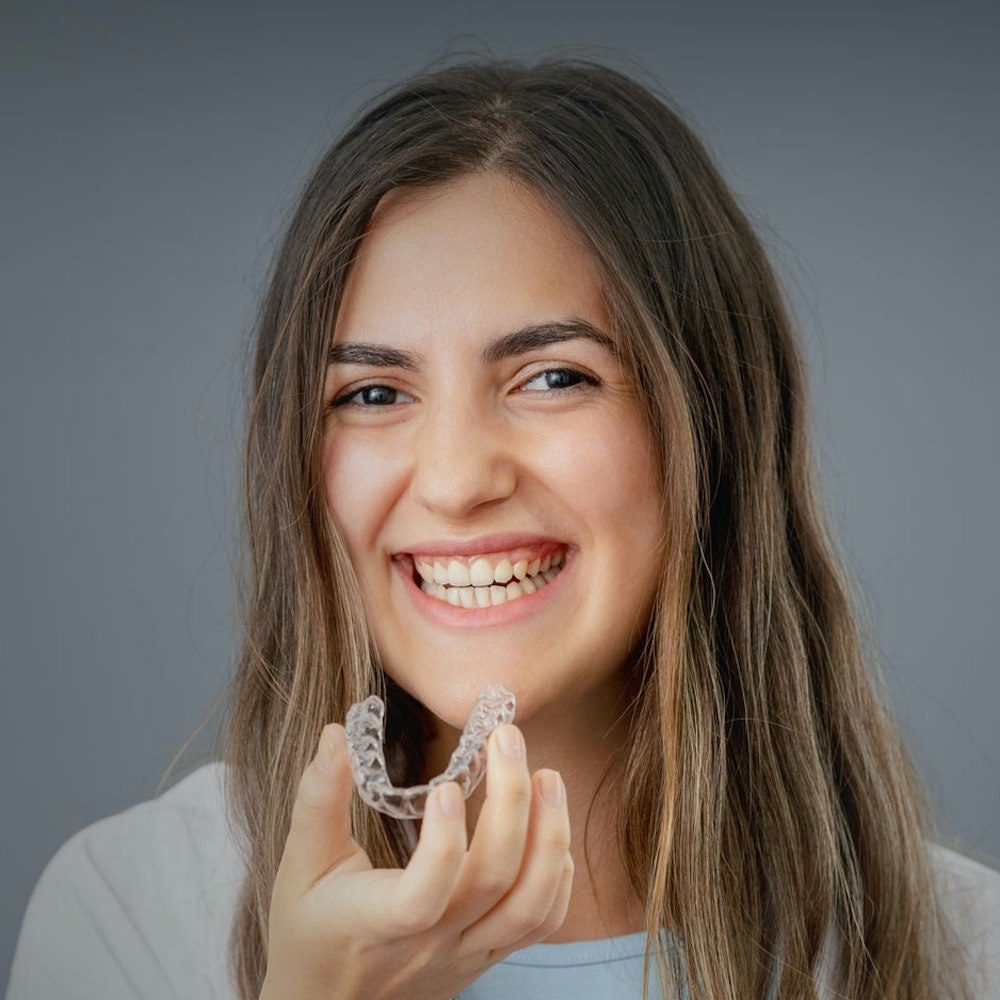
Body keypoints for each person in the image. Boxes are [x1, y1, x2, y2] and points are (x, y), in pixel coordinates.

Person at [7, 57, 1000, 1000]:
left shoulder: (971, 951)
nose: (451, 479)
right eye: (374, 391)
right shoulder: (126, 914)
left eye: (553, 377)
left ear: (713, 426)